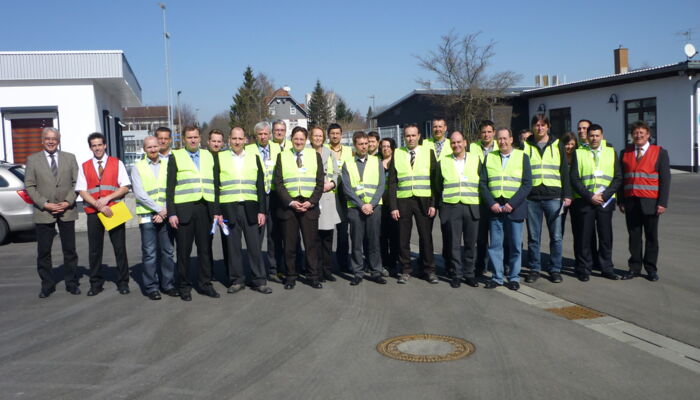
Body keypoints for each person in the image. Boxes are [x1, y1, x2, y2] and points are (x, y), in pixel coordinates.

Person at [213, 127, 271, 294]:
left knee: (254, 246)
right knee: (233, 247)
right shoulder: (221, 157)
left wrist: (262, 211)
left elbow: (260, 185)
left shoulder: (254, 157)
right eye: (234, 138)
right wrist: (217, 212)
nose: (237, 141)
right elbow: (216, 186)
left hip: (251, 208)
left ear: (245, 139)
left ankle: (259, 281)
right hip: (229, 208)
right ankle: (237, 280)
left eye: (240, 138)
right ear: (229, 140)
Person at [25, 127, 80, 298]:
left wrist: (67, 201)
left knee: (70, 250)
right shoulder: (32, 160)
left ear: (59, 140)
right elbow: (29, 186)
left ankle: (71, 283)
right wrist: (45, 204)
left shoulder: (70, 158)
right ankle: (47, 285)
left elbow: (77, 183)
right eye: (47, 138)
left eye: (54, 138)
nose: (50, 141)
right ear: (42, 140)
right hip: (44, 212)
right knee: (44, 251)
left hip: (66, 210)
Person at [166, 126, 220, 301]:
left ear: (200, 138)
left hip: (205, 209)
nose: (193, 140)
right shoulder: (176, 156)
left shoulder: (208, 155)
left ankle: (205, 284)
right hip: (184, 211)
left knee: (205, 249)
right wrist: (172, 213)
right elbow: (170, 187)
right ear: (183, 139)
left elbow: (215, 185)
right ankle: (184, 286)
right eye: (189, 137)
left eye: (196, 137)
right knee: (184, 251)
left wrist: (216, 211)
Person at [76, 132, 131, 296]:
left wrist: (107, 199)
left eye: (100, 144)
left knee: (119, 248)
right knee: (94, 250)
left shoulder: (117, 163)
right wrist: (98, 205)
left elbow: (125, 187)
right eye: (94, 145)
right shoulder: (85, 166)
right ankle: (95, 283)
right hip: (94, 212)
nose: (97, 148)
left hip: (114, 209)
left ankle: (123, 282)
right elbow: (82, 190)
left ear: (105, 145)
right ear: (90, 147)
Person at [272, 126, 325, 289]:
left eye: (302, 139)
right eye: (296, 139)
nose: (299, 142)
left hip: (309, 206)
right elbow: (278, 183)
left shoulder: (315, 156)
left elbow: (320, 182)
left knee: (311, 244)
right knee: (290, 244)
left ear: (306, 140)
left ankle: (313, 276)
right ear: (291, 139)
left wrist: (312, 202)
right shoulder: (282, 156)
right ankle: (291, 277)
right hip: (290, 207)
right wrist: (290, 201)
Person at [618, 121, 670, 282]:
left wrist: (662, 203)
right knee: (634, 236)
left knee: (651, 236)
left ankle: (651, 269)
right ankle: (634, 267)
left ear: (648, 135)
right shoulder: (625, 153)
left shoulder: (659, 152)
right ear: (631, 135)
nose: (638, 135)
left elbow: (665, 179)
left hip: (651, 202)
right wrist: (620, 200)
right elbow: (620, 179)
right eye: (635, 133)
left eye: (642, 133)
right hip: (631, 201)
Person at [480, 128, 532, 290]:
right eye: (499, 139)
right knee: (495, 245)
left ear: (511, 139)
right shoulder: (490, 157)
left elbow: (527, 183)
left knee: (516, 245)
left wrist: (512, 203)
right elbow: (482, 183)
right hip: (495, 207)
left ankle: (514, 277)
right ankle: (497, 277)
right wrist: (491, 203)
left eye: (505, 138)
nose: (502, 142)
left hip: (514, 207)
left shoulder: (522, 157)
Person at [523, 115, 572, 284]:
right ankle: (534, 269)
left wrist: (567, 194)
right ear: (532, 127)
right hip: (532, 198)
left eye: (543, 125)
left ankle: (555, 269)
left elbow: (564, 171)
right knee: (534, 237)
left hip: (554, 197)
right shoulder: (526, 146)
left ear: (548, 127)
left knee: (556, 236)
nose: (539, 128)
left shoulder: (557, 145)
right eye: (536, 125)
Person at [388, 124, 439, 284]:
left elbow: (434, 180)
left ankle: (429, 270)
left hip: (423, 200)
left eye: (413, 135)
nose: (410, 138)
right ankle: (405, 270)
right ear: (404, 137)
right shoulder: (398, 153)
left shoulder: (428, 152)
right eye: (407, 136)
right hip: (404, 201)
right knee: (403, 237)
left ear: (419, 136)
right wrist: (394, 206)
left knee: (426, 237)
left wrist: (433, 203)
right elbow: (392, 182)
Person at [570, 124, 622, 281]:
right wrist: (589, 196)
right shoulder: (579, 153)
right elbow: (575, 178)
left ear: (602, 136)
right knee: (585, 237)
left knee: (606, 236)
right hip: (586, 201)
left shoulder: (611, 152)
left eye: (597, 135)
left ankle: (606, 267)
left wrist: (605, 195)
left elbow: (618, 177)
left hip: (605, 202)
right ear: (587, 136)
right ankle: (585, 269)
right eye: (591, 135)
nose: (594, 138)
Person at [131, 136, 178, 300]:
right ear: (144, 149)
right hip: (147, 215)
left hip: (165, 213)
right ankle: (151, 287)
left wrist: (164, 212)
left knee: (167, 252)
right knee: (150, 253)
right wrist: (160, 210)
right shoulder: (138, 167)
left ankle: (168, 285)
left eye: (155, 146)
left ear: (160, 146)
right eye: (149, 147)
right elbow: (140, 194)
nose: (152, 149)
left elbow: (171, 189)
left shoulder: (167, 165)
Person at [435, 130, 481, 288]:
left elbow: (482, 184)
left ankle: (469, 274)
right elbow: (438, 185)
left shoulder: (476, 159)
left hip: (471, 206)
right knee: (454, 244)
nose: (456, 145)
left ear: (465, 143)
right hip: (452, 206)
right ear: (450, 144)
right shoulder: (444, 162)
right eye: (453, 142)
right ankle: (456, 274)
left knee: (470, 243)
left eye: (459, 142)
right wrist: (442, 206)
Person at [342, 131, 387, 285]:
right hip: (355, 208)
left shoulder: (377, 161)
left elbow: (381, 185)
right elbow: (347, 188)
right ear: (355, 145)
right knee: (356, 242)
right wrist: (362, 205)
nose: (364, 146)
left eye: (366, 143)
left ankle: (376, 271)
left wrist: (371, 204)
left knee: (374, 241)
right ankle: (358, 272)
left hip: (374, 208)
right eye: (360, 144)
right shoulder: (348, 164)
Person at [246, 121, 283, 282]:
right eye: (260, 134)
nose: (263, 136)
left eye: (265, 133)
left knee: (274, 235)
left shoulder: (277, 148)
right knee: (257, 236)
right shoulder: (248, 150)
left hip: (274, 196)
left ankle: (273, 270)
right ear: (256, 136)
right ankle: (256, 271)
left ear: (270, 134)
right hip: (257, 197)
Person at [309, 126, 341, 282]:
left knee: (327, 237)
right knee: (314, 238)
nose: (318, 138)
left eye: (320, 136)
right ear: (311, 137)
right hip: (312, 197)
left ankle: (327, 270)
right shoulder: (307, 152)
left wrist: (333, 184)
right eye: (315, 136)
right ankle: (316, 271)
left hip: (327, 197)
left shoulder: (329, 153)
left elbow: (336, 172)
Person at [471, 120, 498, 277]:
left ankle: (498, 266)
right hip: (478, 198)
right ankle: (480, 265)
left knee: (497, 237)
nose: (486, 134)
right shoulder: (473, 148)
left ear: (494, 132)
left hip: (495, 198)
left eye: (489, 132)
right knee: (480, 237)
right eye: (483, 132)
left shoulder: (500, 147)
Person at [327, 123, 353, 273]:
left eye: (337, 133)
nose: (335, 136)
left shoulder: (349, 151)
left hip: (345, 195)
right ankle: (327, 264)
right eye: (332, 134)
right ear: (328, 135)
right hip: (329, 195)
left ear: (341, 135)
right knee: (328, 231)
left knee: (343, 231)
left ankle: (344, 263)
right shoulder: (324, 150)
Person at [379, 138, 400, 276]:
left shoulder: (397, 162)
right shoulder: (376, 163)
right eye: (383, 146)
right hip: (380, 204)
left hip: (395, 204)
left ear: (392, 148)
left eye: (388, 146)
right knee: (382, 235)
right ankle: (384, 262)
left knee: (395, 235)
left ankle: (394, 262)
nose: (386, 148)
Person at [559, 132, 578, 238]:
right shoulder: (559, 157)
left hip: (576, 197)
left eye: (572, 144)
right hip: (562, 197)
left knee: (577, 228)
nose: (570, 147)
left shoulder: (578, 157)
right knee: (559, 228)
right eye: (567, 144)